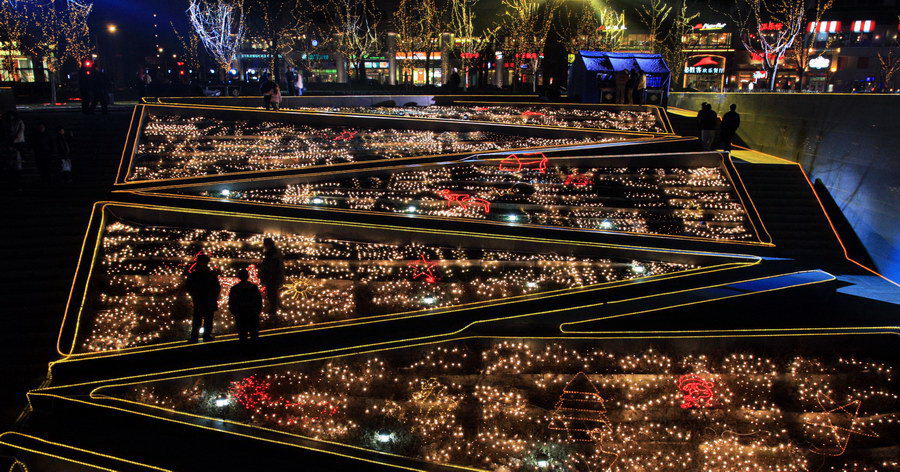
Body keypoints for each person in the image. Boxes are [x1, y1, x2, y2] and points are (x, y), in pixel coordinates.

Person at [184, 253, 221, 343]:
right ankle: (206, 335)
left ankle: (195, 337)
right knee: (207, 319)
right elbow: (216, 287)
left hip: (199, 299)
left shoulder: (194, 275)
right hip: (208, 299)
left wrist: (194, 295)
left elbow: (188, 287)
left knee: (198, 318)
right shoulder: (210, 274)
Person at [228, 268, 263, 342]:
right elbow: (258, 301)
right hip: (252, 313)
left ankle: (244, 350)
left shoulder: (235, 288)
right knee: (254, 334)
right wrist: (257, 311)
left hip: (241, 314)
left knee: (242, 335)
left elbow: (231, 302)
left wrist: (235, 312)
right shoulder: (253, 287)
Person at [258, 237, 285, 316]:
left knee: (271, 293)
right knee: (273, 293)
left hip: (272, 278)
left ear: (267, 245)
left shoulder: (271, 254)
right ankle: (275, 307)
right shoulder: (275, 252)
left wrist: (266, 277)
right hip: (275, 277)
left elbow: (271, 267)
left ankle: (273, 310)